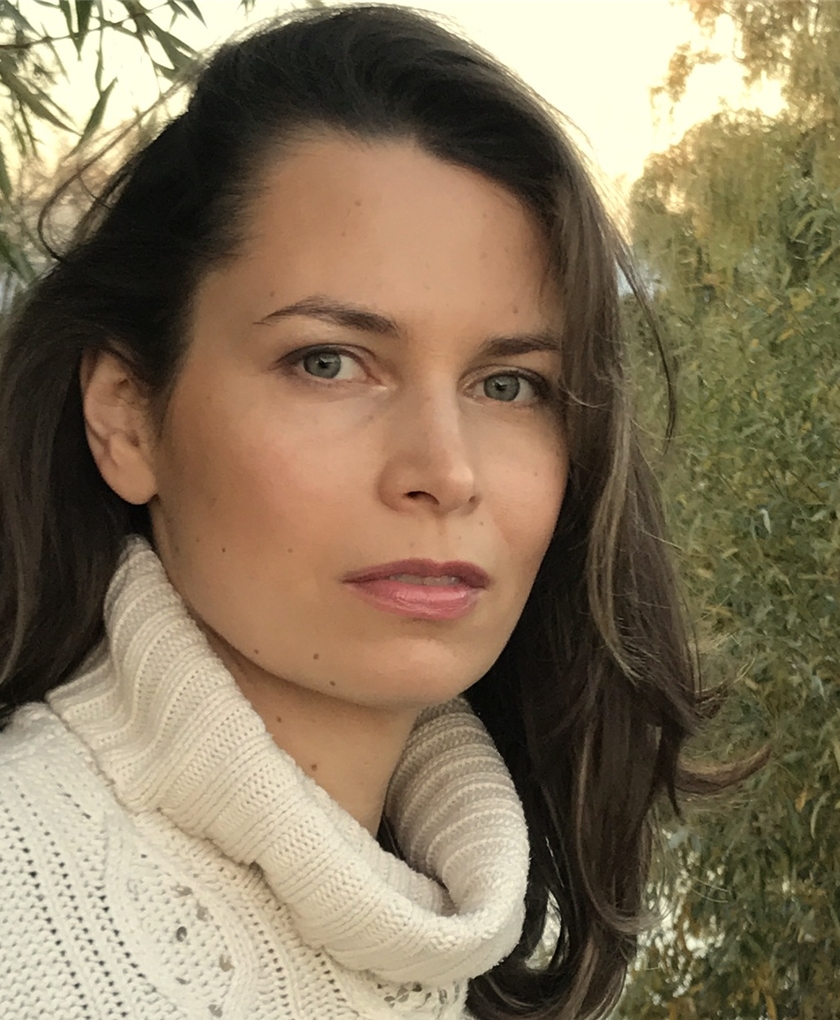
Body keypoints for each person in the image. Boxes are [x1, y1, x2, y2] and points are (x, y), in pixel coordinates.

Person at [0, 5, 729, 1019]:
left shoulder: (476, 929)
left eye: (509, 384)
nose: (446, 471)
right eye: (329, 363)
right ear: (127, 416)